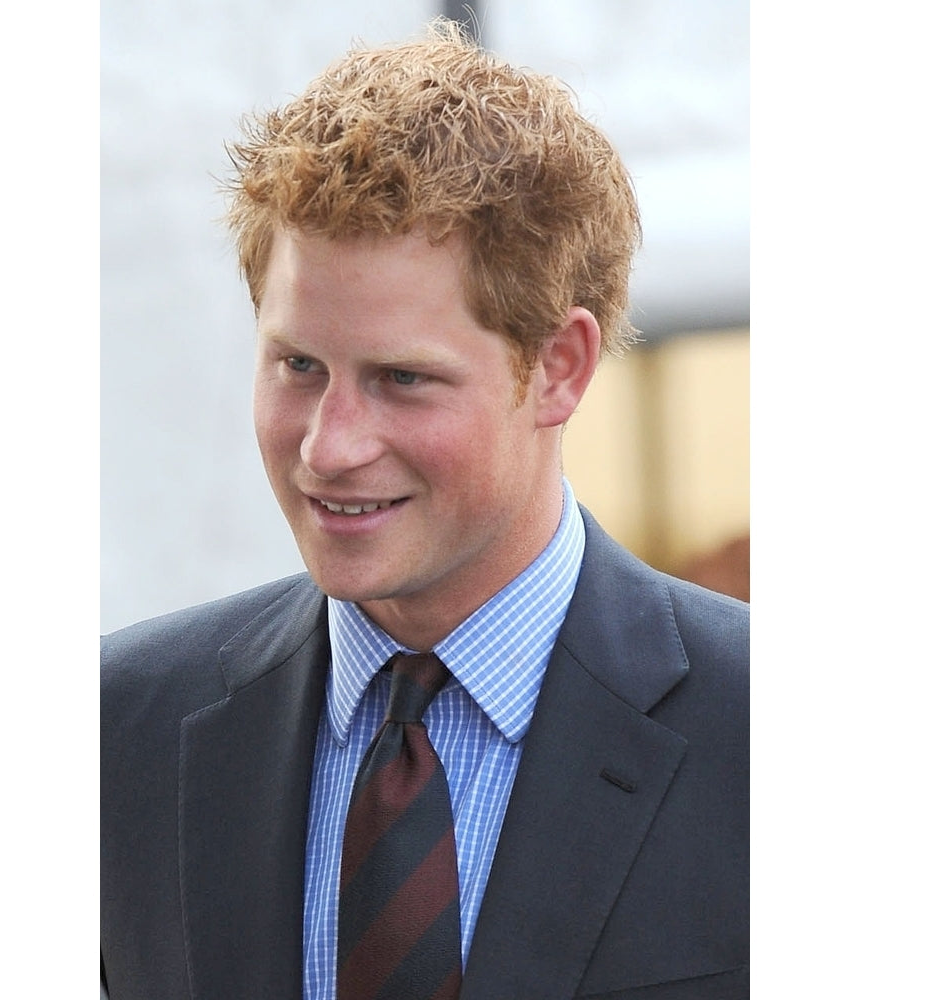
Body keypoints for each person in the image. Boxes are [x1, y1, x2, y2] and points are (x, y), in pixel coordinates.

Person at [100, 20, 748, 1000]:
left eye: (402, 379)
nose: (329, 442)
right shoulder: (117, 734)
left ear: (558, 368)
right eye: (298, 365)